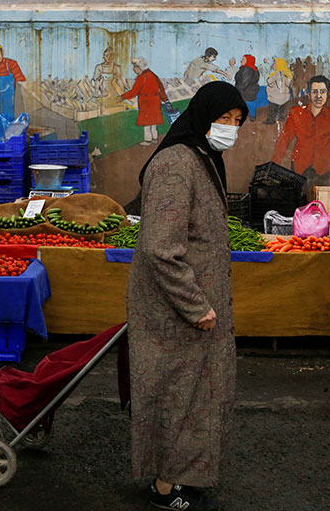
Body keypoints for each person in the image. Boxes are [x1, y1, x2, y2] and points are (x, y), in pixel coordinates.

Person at [128, 81, 247, 511]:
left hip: (196, 307)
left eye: (237, 122)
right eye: (224, 119)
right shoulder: (177, 164)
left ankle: (186, 476)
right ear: (202, 117)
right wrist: (196, 306)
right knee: (175, 395)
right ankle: (165, 487)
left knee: (199, 395)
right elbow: (160, 247)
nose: (230, 129)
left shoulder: (203, 158)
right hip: (174, 309)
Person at [272, 75, 330, 200]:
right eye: (315, 92)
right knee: (298, 204)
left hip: (323, 169)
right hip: (299, 167)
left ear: (327, 94)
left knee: (321, 206)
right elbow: (284, 140)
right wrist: (274, 165)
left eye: (322, 92)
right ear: (309, 94)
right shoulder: (296, 113)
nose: (319, 96)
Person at [120, 57, 168, 146]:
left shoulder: (141, 77)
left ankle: (148, 140)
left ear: (139, 67)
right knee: (153, 123)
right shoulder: (153, 75)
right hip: (155, 101)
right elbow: (161, 88)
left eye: (135, 67)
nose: (134, 69)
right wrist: (164, 99)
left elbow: (134, 92)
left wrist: (122, 97)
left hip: (146, 102)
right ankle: (155, 138)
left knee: (146, 123)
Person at [262, 57, 293, 124]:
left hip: (275, 96)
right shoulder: (286, 73)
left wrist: (268, 79)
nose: (273, 64)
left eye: (274, 63)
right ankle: (281, 117)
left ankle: (271, 120)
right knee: (282, 108)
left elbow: (269, 81)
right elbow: (288, 84)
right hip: (285, 96)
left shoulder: (275, 74)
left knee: (272, 108)